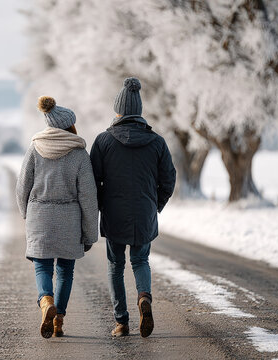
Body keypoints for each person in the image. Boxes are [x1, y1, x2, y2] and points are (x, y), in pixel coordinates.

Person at [90, 77, 176, 338]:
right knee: (140, 260)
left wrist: (104, 205)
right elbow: (169, 178)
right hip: (144, 212)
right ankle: (144, 298)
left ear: (118, 111)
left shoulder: (103, 141)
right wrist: (155, 204)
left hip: (114, 214)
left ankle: (121, 322)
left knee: (115, 266)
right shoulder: (157, 142)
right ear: (138, 111)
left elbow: (92, 181)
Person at [16, 96, 99, 339]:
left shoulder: (35, 148)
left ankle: (45, 302)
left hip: (39, 215)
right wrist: (89, 232)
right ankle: (58, 319)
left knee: (42, 266)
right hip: (69, 219)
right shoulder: (79, 154)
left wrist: (26, 213)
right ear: (69, 126)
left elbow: (22, 186)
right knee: (65, 270)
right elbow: (88, 197)